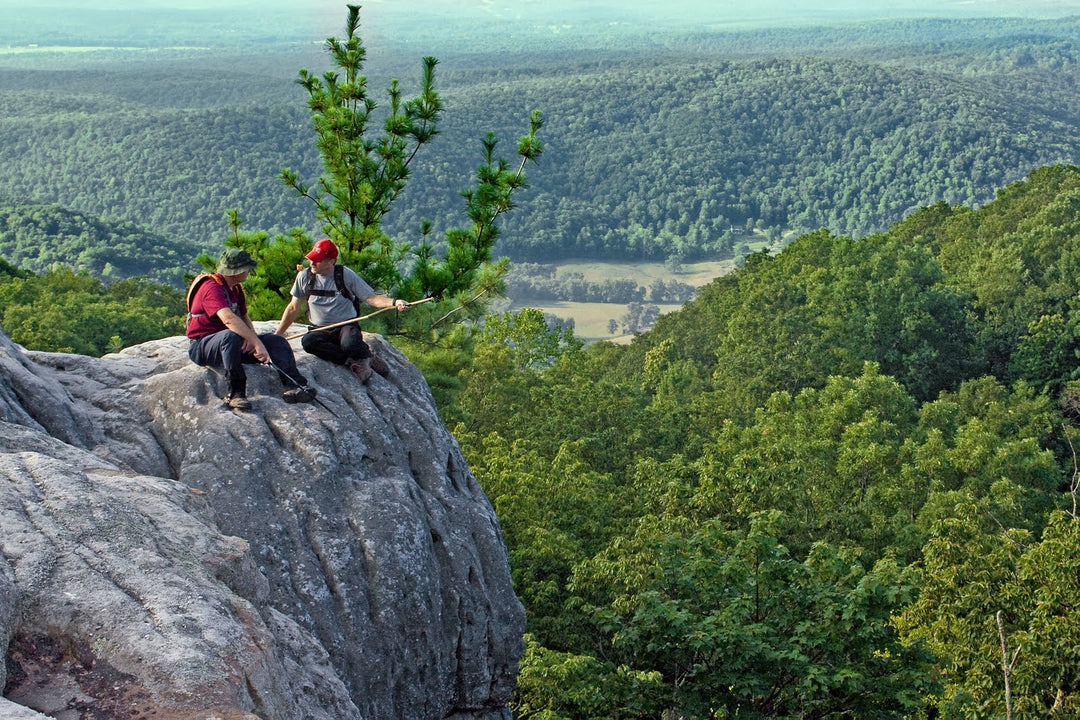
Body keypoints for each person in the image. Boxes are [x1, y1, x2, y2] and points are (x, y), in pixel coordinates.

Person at [187, 247, 317, 410]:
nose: (249, 272)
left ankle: (295, 386)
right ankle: (236, 394)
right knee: (230, 336)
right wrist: (256, 343)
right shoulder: (212, 287)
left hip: (231, 344)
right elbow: (228, 319)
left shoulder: (235, 288)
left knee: (276, 341)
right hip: (202, 346)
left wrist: (251, 339)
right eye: (247, 268)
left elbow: (243, 316)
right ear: (237, 271)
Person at [274, 238, 409, 383]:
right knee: (308, 343)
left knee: (349, 343)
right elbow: (293, 307)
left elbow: (371, 298)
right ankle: (351, 362)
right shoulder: (304, 277)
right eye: (311, 259)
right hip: (321, 328)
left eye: (317, 260)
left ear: (331, 261)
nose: (312, 263)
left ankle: (366, 356)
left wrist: (395, 302)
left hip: (347, 325)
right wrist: (278, 335)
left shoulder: (345, 275)